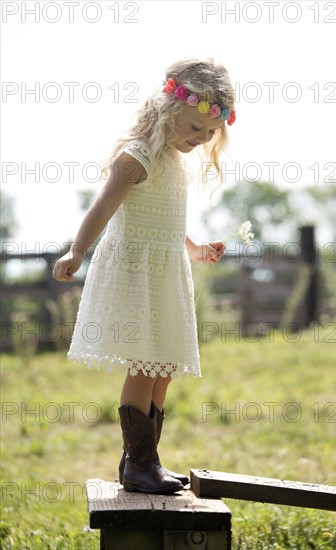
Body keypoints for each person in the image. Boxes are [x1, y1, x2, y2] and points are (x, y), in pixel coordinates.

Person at [52, 58, 236, 494]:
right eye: (195, 128)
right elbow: (103, 208)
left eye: (209, 133)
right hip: (136, 273)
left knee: (165, 365)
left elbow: (170, 218)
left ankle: (142, 459)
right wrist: (77, 250)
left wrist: (194, 249)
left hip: (166, 271)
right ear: (169, 112)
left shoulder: (174, 159)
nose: (202, 138)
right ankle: (139, 463)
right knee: (144, 362)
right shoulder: (136, 155)